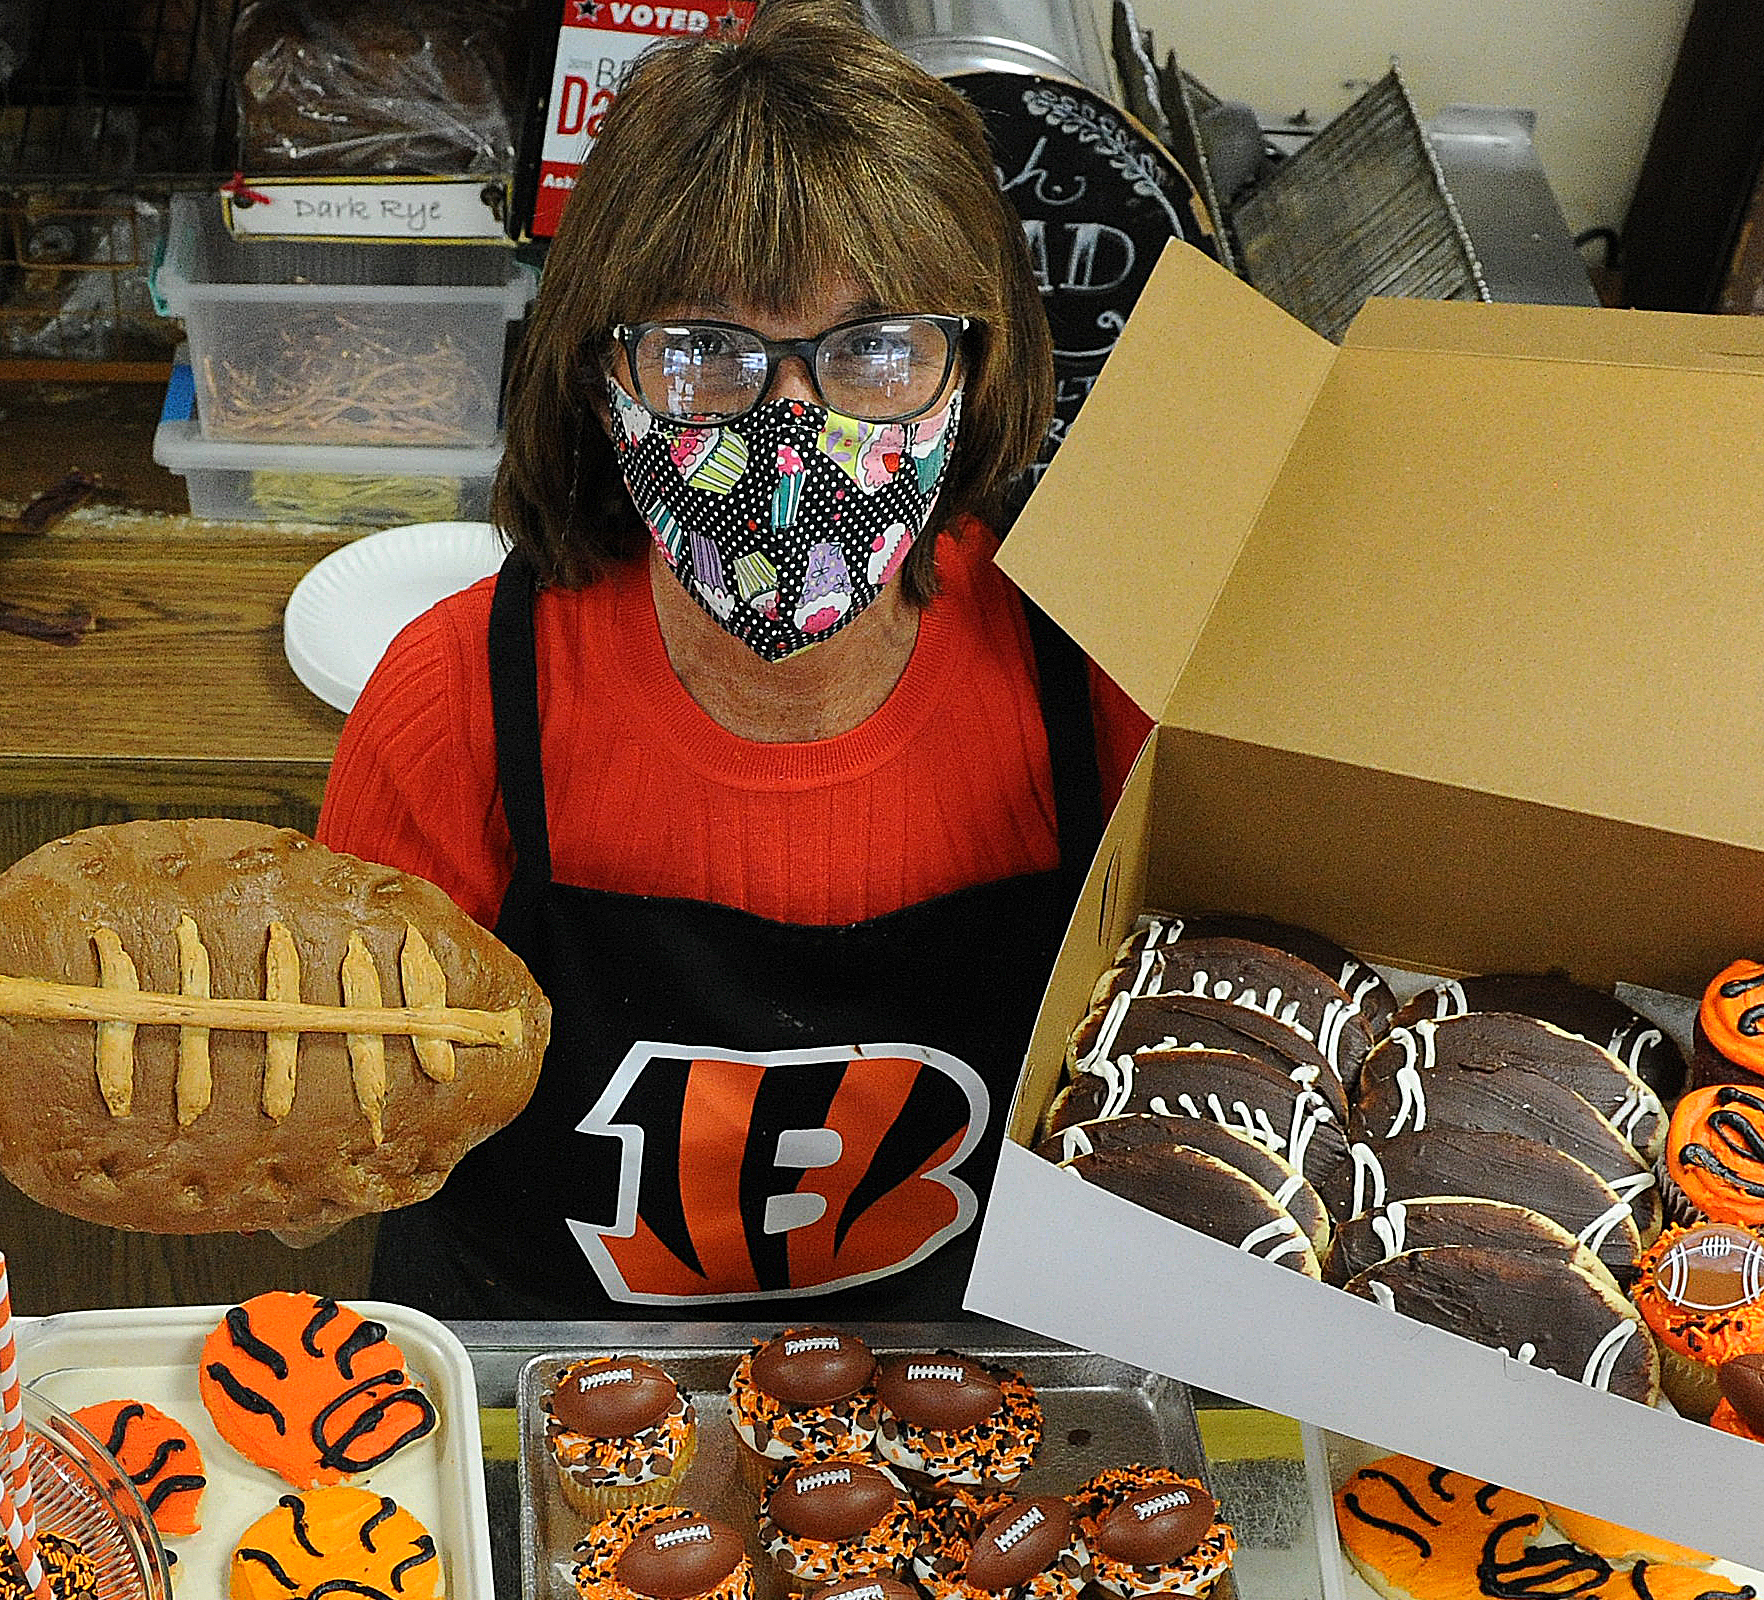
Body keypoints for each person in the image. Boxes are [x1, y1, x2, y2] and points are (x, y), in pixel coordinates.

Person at [321, 0, 1152, 1320]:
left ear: (975, 365)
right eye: (706, 348)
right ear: (601, 372)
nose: (792, 427)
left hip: (972, 1408)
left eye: (875, 346)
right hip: (546, 1396)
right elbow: (349, 1135)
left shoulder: (1097, 677)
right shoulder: (458, 704)